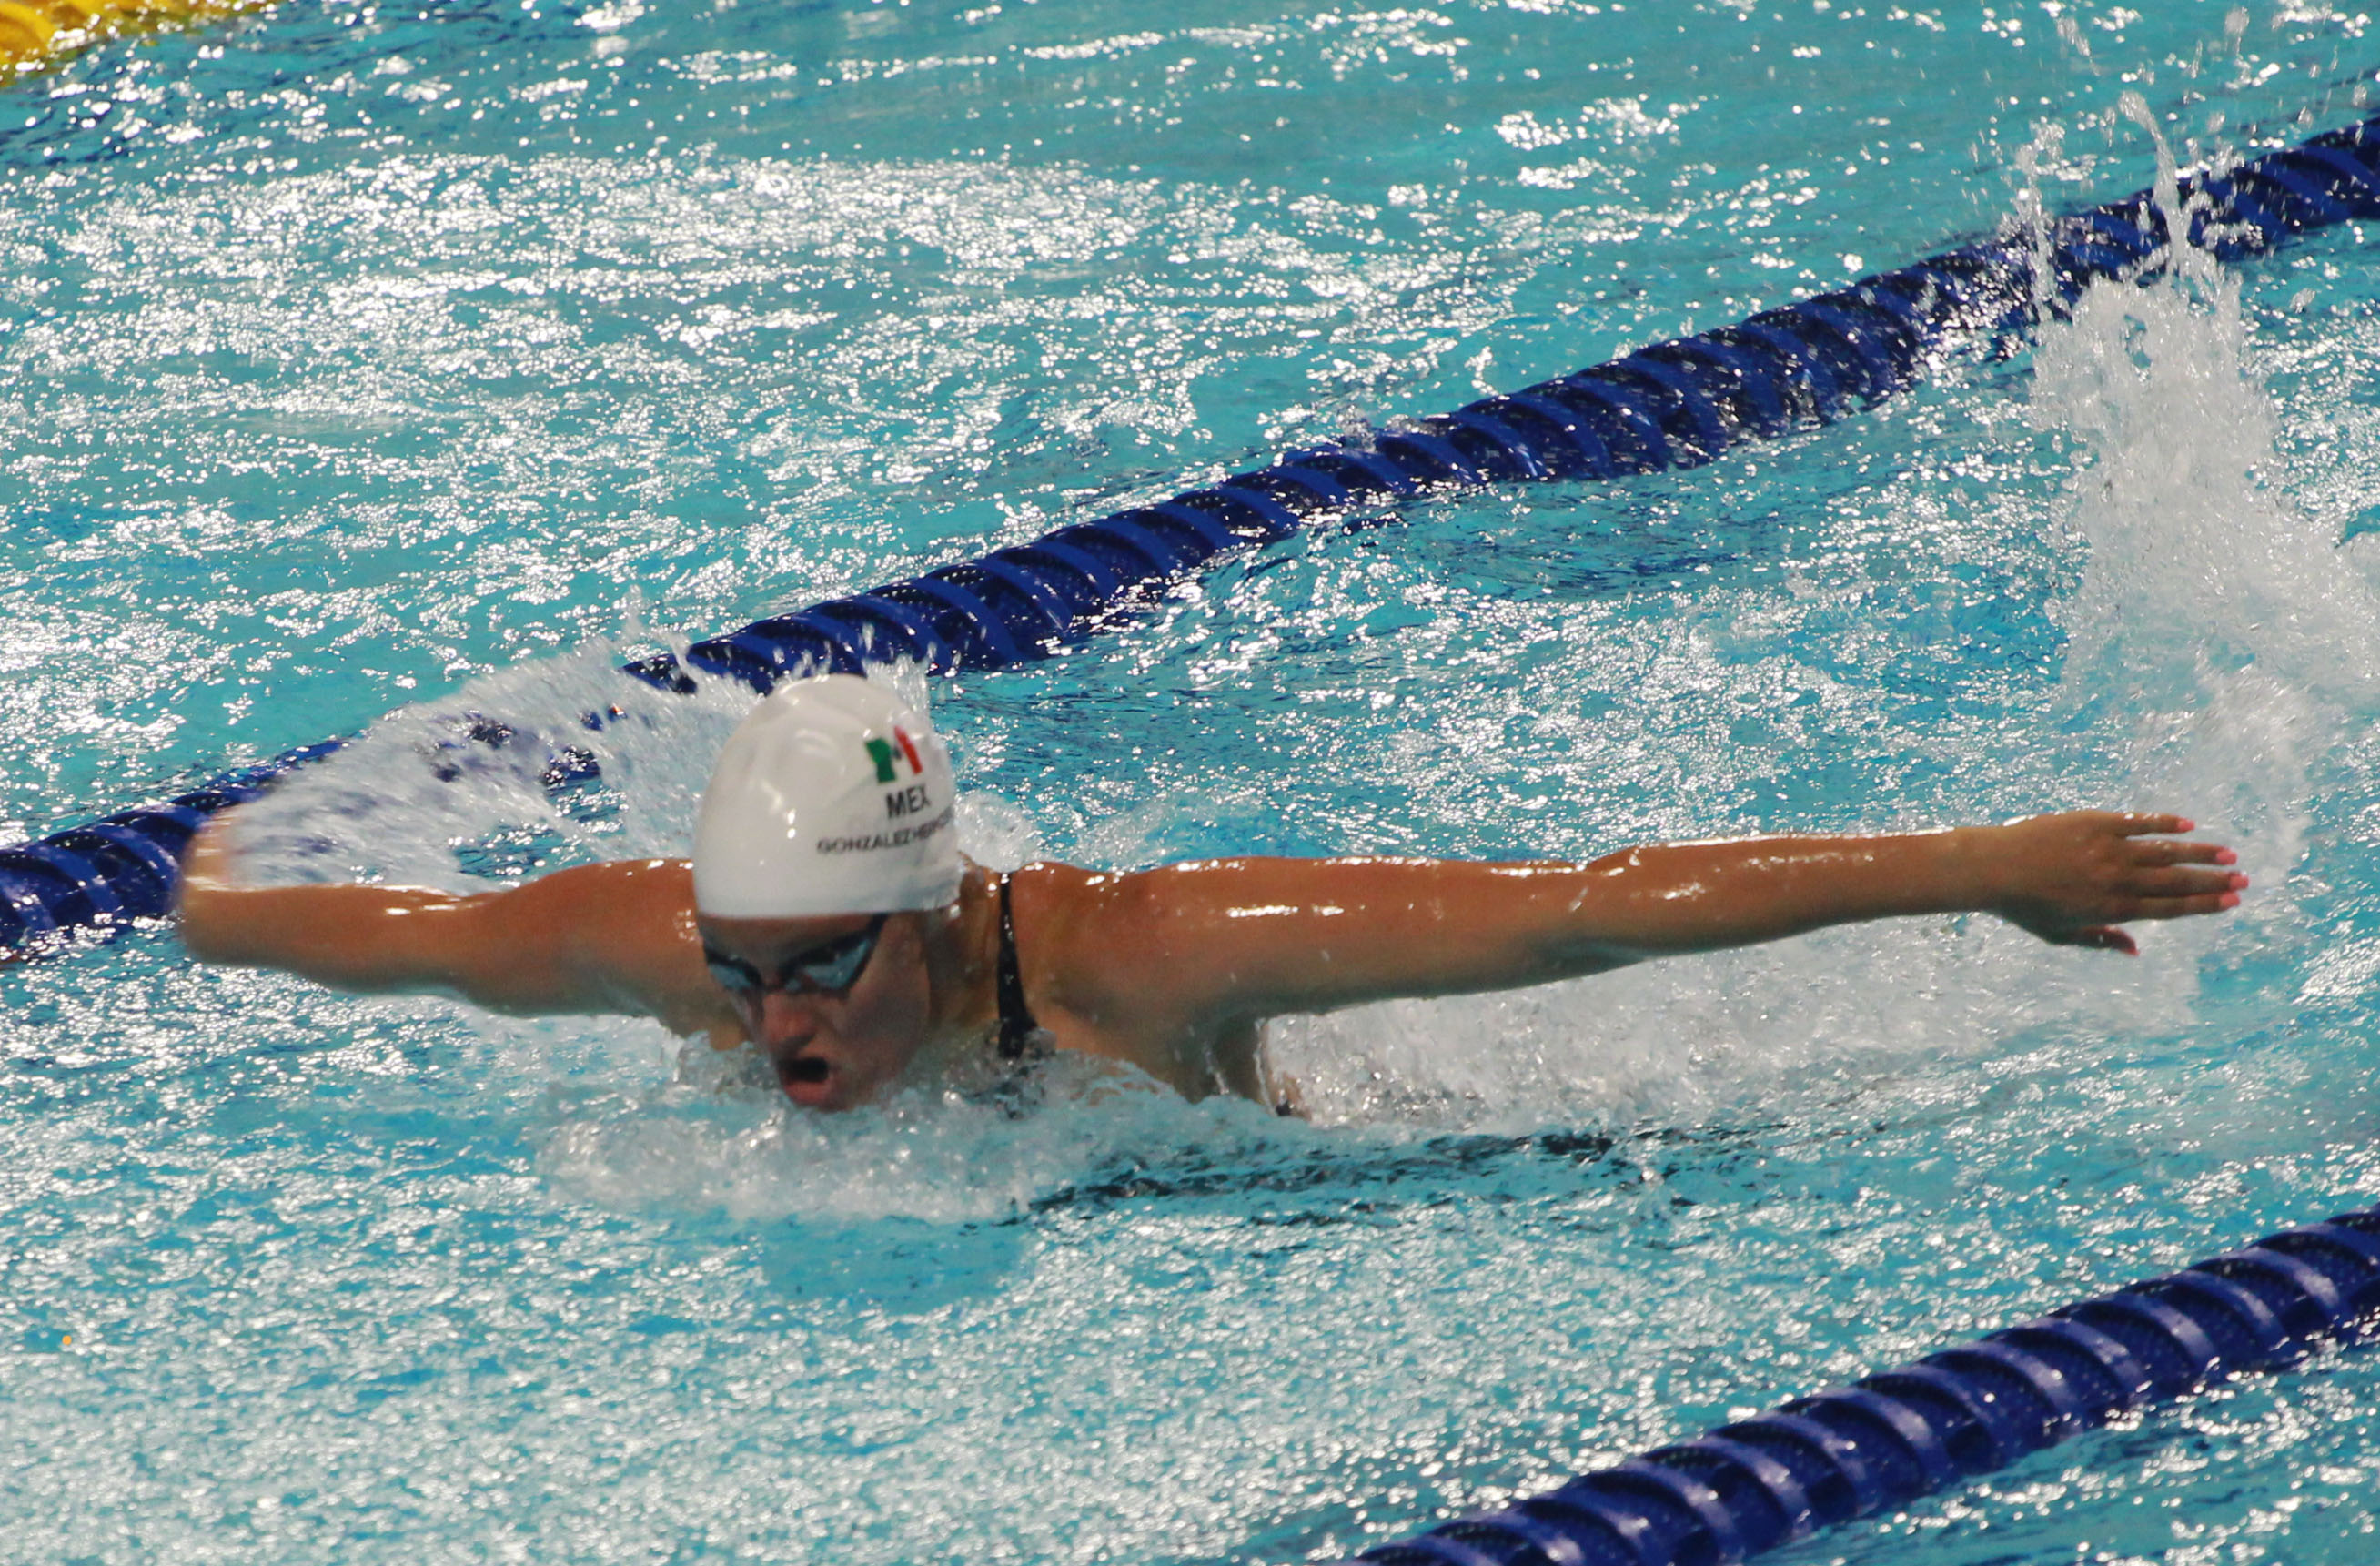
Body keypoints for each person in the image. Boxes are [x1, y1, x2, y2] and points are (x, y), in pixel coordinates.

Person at [177, 674, 2248, 1113]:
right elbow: (407, 943)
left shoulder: (1136, 969)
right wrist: (215, 900)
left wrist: (1990, 872)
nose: (773, 1017)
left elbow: (1590, 906)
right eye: (745, 973)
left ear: (933, 913)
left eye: (819, 969)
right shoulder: (671, 952)